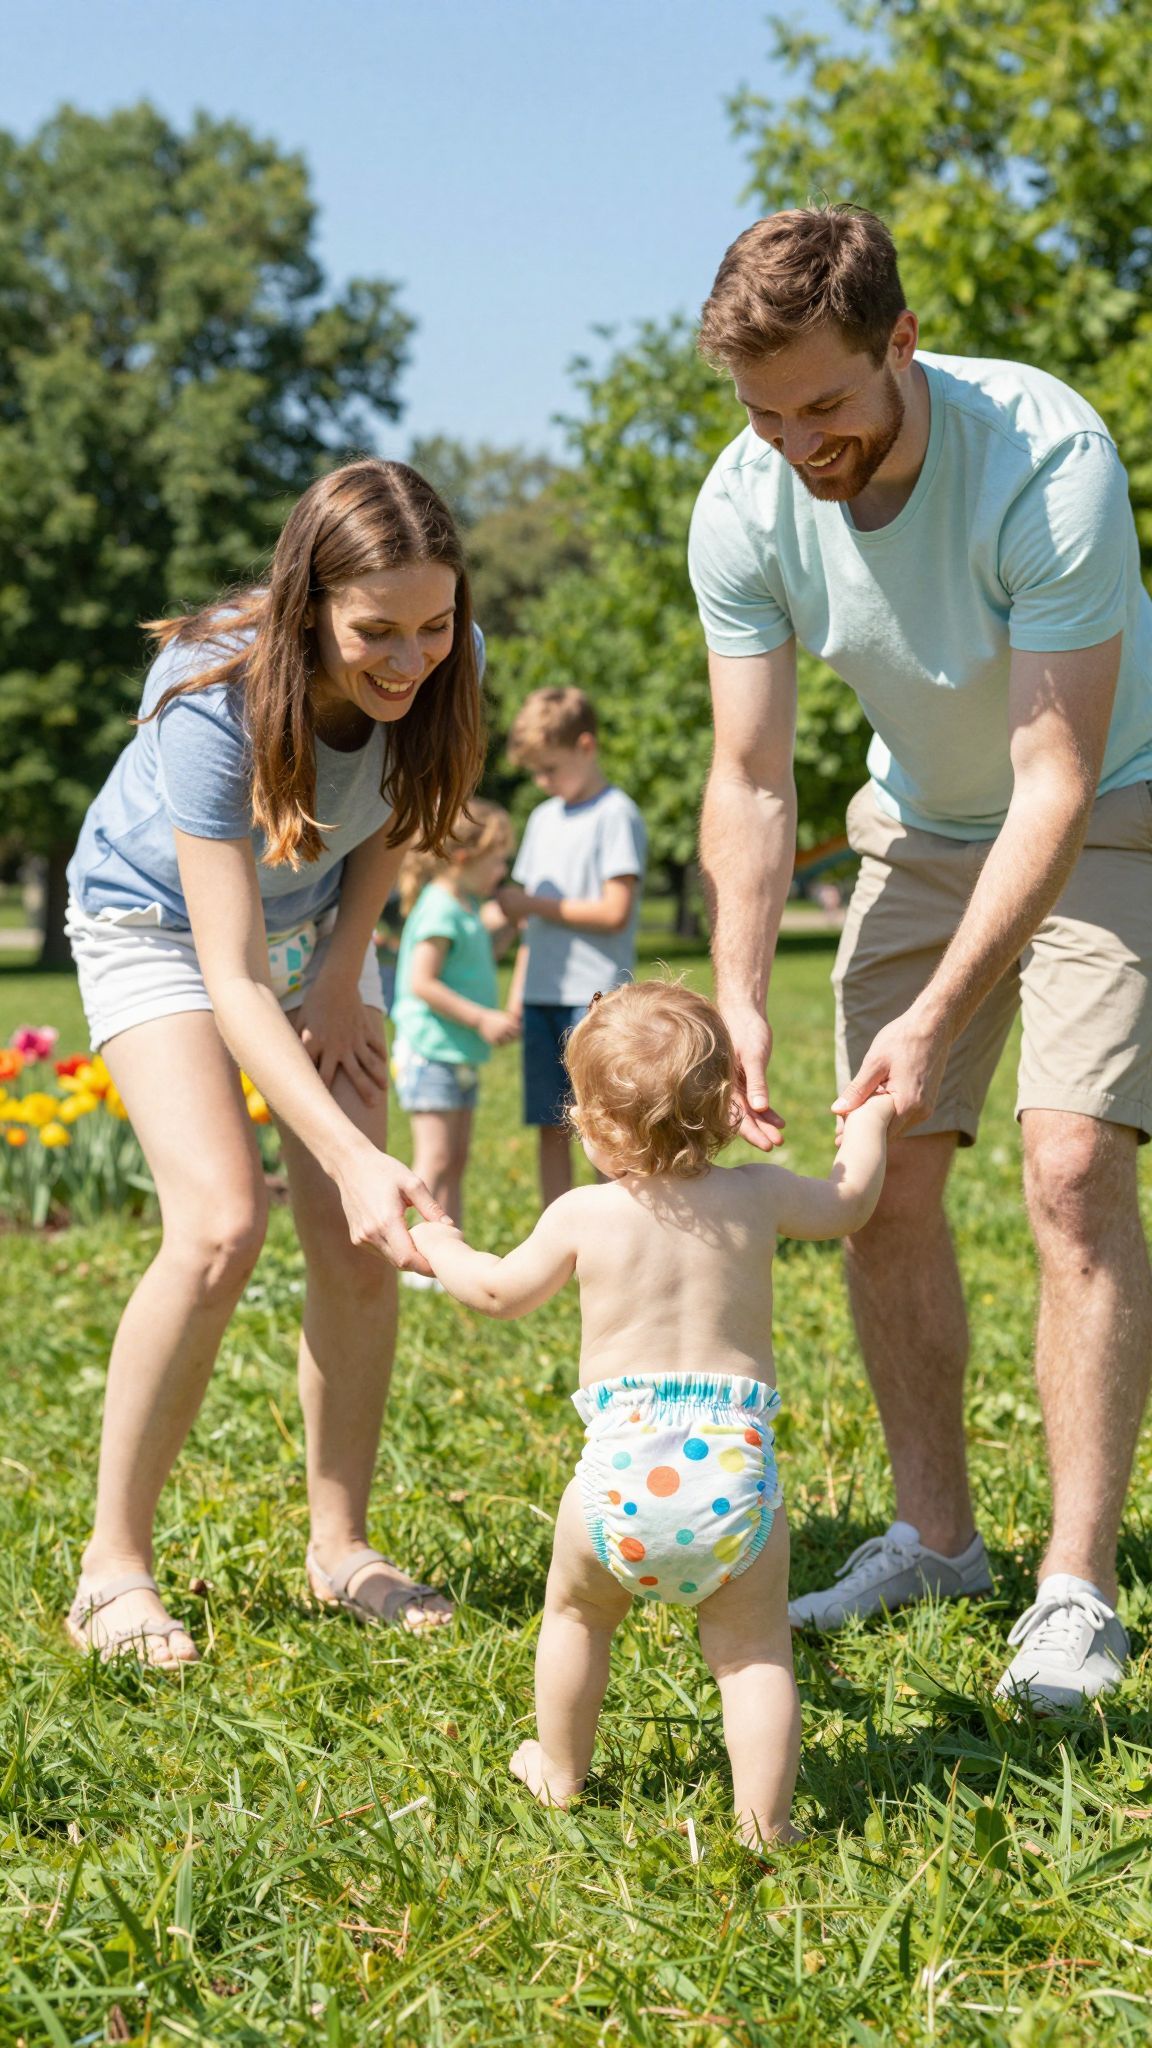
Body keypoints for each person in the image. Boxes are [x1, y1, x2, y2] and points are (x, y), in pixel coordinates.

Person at [689, 205, 1152, 1710]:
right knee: (880, 1168)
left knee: (1072, 1166)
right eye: (763, 412)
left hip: (1113, 811)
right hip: (921, 828)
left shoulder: (1046, 456)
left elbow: (1056, 785)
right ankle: (937, 1539)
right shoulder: (744, 500)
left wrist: (941, 1010)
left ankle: (1076, 1588)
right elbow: (752, 782)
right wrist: (740, 1001)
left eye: (822, 404)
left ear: (900, 342)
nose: (794, 443)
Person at [63, 458, 486, 1665]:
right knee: (217, 1221)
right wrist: (354, 1152)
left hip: (310, 938)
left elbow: (389, 833)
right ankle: (111, 1568)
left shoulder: (445, 662)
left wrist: (350, 975)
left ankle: (340, 1548)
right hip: (157, 928)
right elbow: (230, 972)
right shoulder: (211, 695)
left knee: (361, 1242)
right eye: (377, 634)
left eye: (436, 626)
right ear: (308, 607)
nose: (410, 659)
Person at [410, 980, 896, 1847]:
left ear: (592, 1127)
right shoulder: (759, 1197)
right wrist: (872, 1115)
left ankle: (559, 1771)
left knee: (574, 1616)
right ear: (724, 1106)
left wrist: (437, 1242)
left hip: (619, 1482)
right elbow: (852, 1200)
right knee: (752, 1658)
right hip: (733, 1481)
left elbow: (492, 1291)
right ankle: (765, 1825)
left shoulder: (581, 1215)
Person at [497, 687, 647, 1206]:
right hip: (542, 992)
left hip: (595, 999)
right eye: (536, 772)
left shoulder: (615, 814)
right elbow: (527, 929)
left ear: (586, 747)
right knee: (550, 1120)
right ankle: (557, 1227)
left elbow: (614, 911)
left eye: (551, 769)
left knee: (606, 1122)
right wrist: (517, 993)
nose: (543, 782)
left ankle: (619, 1225)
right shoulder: (542, 818)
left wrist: (532, 906)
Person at [391, 798, 519, 1283]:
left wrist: (508, 934)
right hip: (431, 1053)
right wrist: (482, 1018)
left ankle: (451, 1252)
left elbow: (474, 958)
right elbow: (423, 981)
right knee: (434, 1160)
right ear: (465, 858)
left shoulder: (464, 906)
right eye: (498, 859)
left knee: (456, 1158)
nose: (503, 870)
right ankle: (415, 1262)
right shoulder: (440, 908)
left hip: (454, 1054)